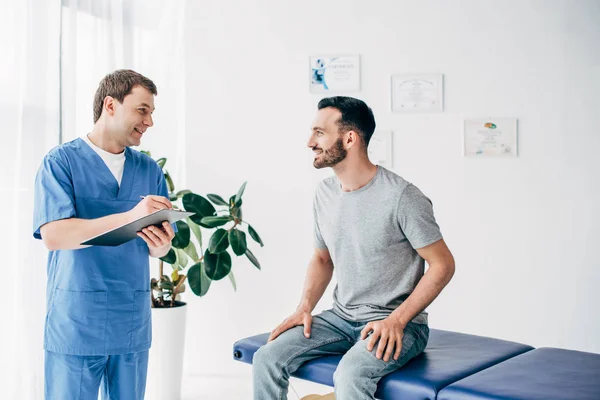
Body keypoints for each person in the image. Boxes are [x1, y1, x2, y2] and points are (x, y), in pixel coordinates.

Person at [253, 96, 455, 399]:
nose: (310, 142)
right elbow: (322, 259)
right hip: (340, 318)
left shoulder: (402, 197)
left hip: (399, 322)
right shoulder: (324, 194)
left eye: (319, 132)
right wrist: (303, 309)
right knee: (266, 358)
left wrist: (397, 320)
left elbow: (443, 265)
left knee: (349, 374)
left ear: (349, 138)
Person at [33, 69, 175, 399]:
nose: (149, 122)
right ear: (110, 105)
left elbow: (161, 250)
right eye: (142, 110)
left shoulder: (148, 170)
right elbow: (54, 235)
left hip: (130, 323)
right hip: (77, 322)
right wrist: (130, 216)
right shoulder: (61, 163)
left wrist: (162, 245)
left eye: (152, 112)